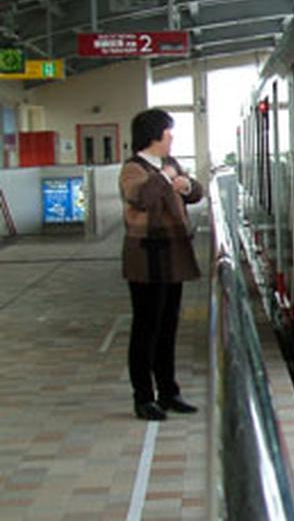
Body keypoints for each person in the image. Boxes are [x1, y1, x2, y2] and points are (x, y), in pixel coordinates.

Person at [120, 108, 203, 421]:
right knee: (146, 327)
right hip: (146, 257)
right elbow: (141, 197)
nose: (171, 139)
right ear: (154, 135)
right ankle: (143, 397)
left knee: (168, 326)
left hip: (173, 255)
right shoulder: (133, 169)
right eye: (168, 133)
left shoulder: (170, 165)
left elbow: (196, 193)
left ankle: (169, 392)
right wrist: (166, 178)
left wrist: (187, 186)